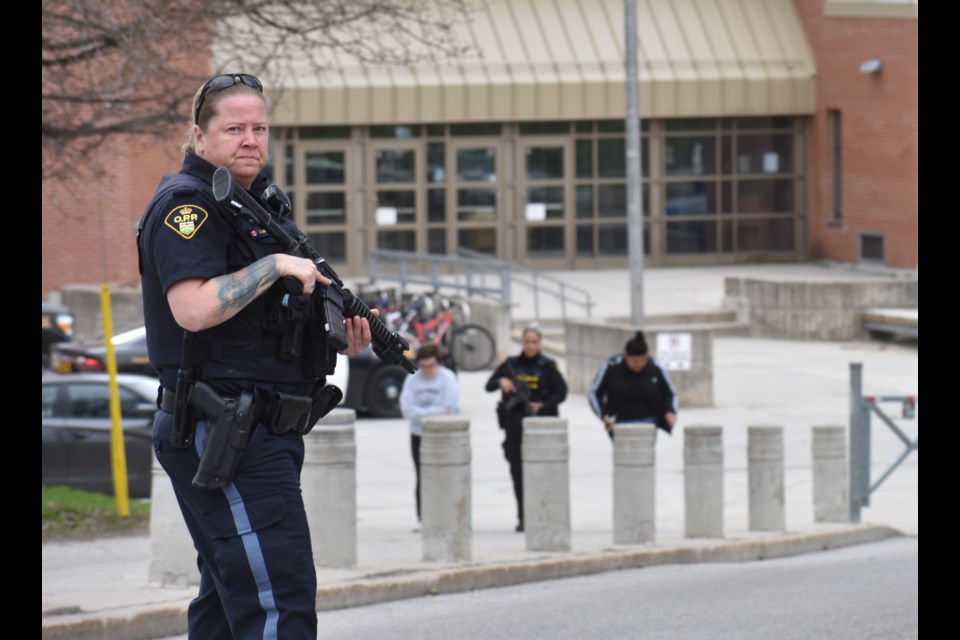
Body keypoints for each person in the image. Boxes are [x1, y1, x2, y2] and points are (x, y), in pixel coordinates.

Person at [137, 73, 373, 639]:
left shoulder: (255, 205)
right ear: (200, 137)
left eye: (260, 128)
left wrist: (343, 337)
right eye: (234, 128)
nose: (251, 140)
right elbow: (192, 309)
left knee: (228, 600)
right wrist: (272, 267)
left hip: (258, 430)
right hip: (226, 430)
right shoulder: (188, 208)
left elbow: (271, 319)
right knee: (277, 601)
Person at [485, 323, 567, 532]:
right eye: (527, 341)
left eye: (535, 342)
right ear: (522, 342)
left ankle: (544, 516)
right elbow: (489, 385)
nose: (530, 345)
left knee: (543, 474)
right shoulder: (511, 364)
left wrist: (543, 404)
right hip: (514, 426)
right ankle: (524, 517)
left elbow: (561, 392)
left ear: (539, 343)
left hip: (541, 426)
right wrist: (501, 381)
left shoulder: (548, 366)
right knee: (518, 473)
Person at [399, 343, 460, 525]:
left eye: (431, 366)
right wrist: (434, 412)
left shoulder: (448, 378)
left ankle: (448, 513)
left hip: (444, 435)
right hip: (419, 435)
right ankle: (423, 516)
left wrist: (422, 414)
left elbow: (449, 407)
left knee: (447, 474)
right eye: (423, 366)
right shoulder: (412, 379)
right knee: (422, 475)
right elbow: (406, 409)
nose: (427, 370)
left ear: (438, 363)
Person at [588, 331, 678, 440]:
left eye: (643, 360)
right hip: (619, 422)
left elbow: (670, 392)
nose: (639, 365)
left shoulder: (655, 367)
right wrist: (604, 415)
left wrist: (670, 411)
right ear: (626, 356)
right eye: (635, 361)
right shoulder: (611, 366)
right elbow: (594, 393)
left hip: (649, 422)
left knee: (645, 454)